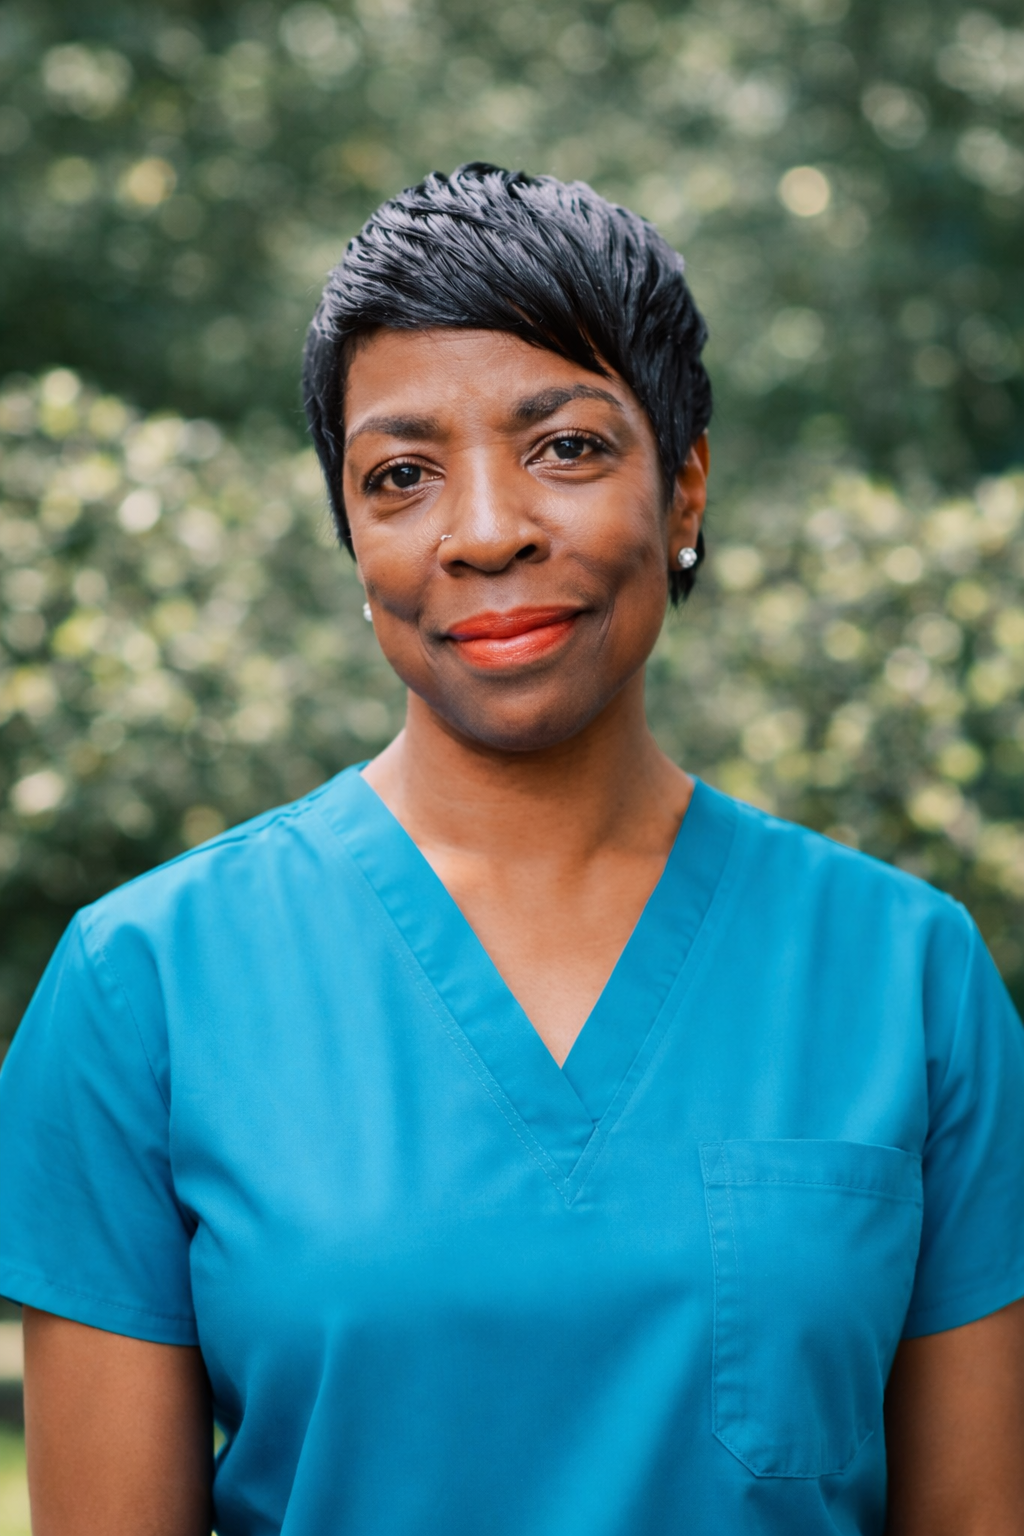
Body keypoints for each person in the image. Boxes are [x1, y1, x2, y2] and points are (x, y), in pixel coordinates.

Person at [2, 163, 1023, 1536]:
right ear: (354, 540)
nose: (485, 533)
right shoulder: (144, 985)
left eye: (569, 447)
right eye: (402, 476)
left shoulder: (910, 977)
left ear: (685, 489)